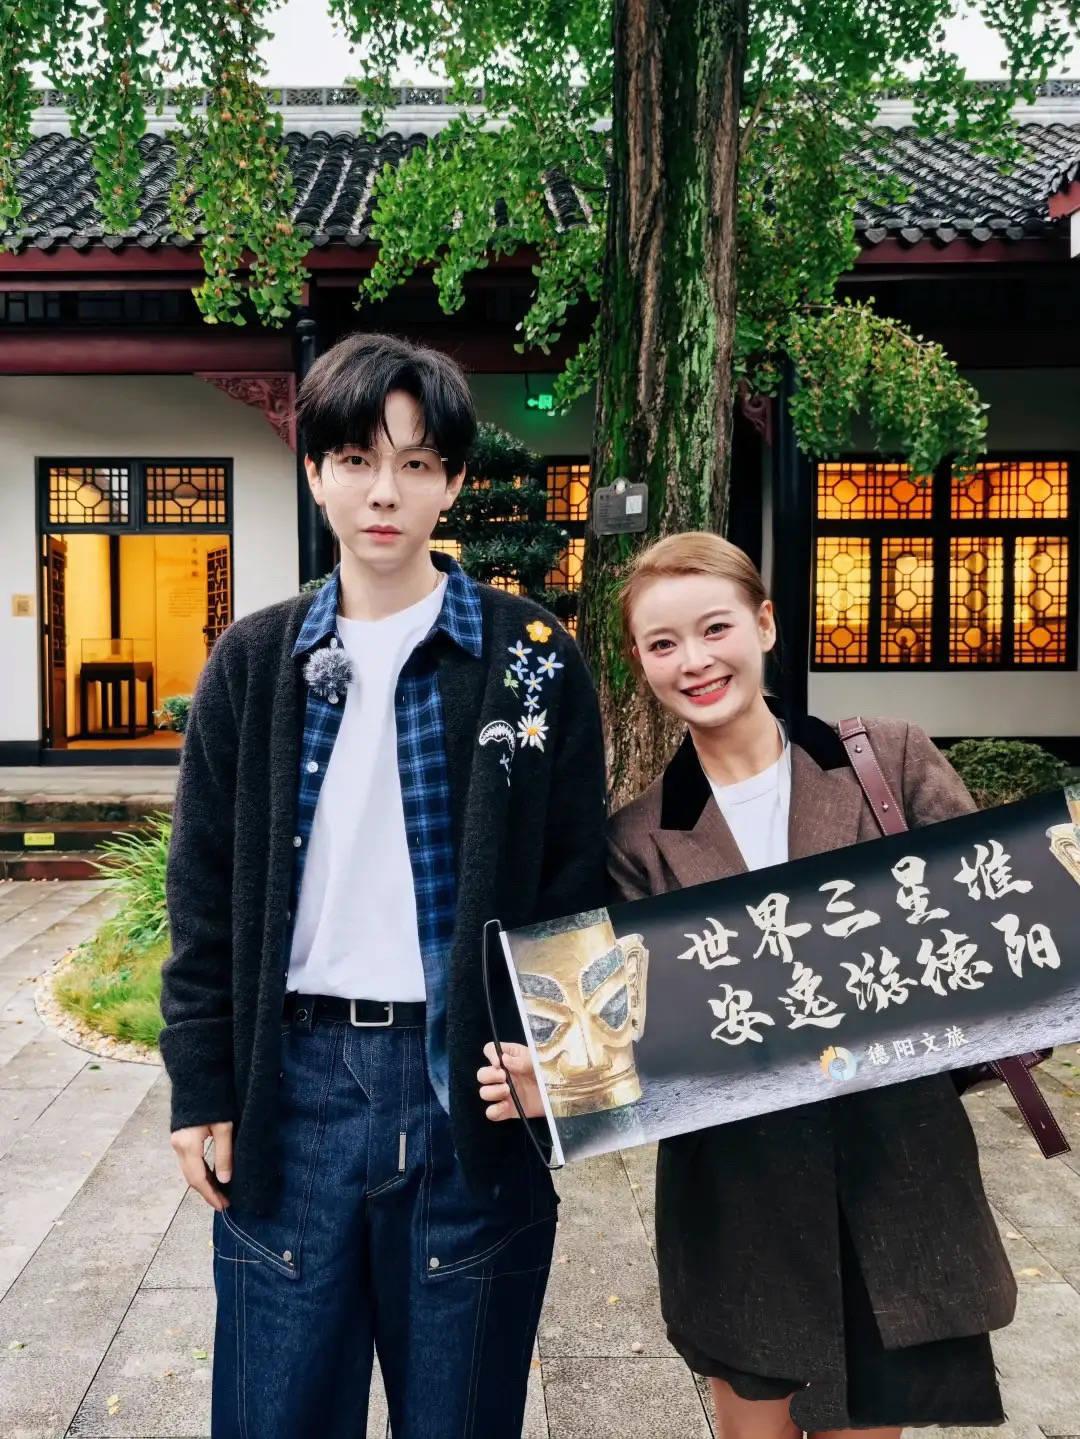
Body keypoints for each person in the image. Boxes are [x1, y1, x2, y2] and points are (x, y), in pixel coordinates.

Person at [160, 332, 607, 1439]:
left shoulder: (531, 654)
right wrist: (201, 1086)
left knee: (460, 1412)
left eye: (416, 463)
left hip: (466, 1086)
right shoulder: (253, 662)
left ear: (452, 481)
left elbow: (575, 876)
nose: (384, 492)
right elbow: (203, 894)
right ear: (316, 471)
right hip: (292, 1085)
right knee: (276, 1411)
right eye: (357, 459)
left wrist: (572, 1065)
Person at [479, 531, 1016, 1439]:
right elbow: (638, 1026)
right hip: (740, 1195)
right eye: (662, 643)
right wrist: (563, 1080)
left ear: (764, 623)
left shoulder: (889, 760)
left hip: (896, 1173)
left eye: (715, 627)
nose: (694, 660)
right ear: (640, 662)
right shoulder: (636, 839)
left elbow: (987, 943)